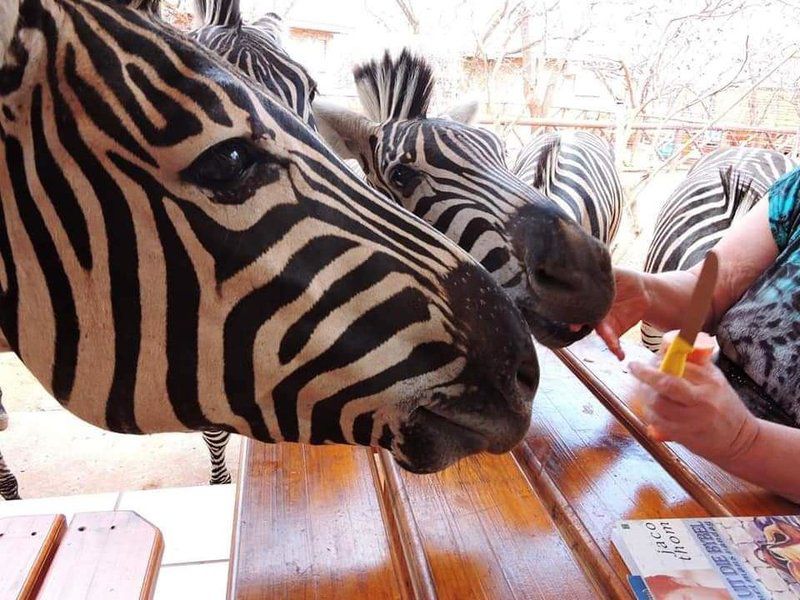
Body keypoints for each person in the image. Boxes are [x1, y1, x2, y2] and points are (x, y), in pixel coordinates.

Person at [595, 167, 800, 503]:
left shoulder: (738, 440)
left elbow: (740, 440)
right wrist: (645, 291)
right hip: (701, 454)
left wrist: (745, 442)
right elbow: (715, 286)